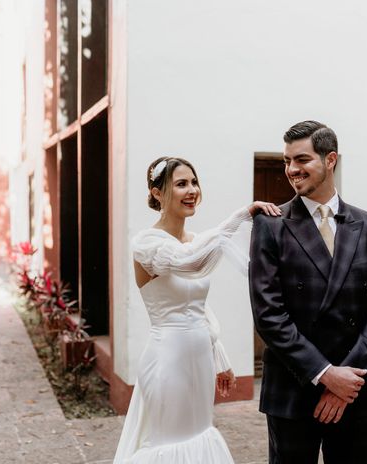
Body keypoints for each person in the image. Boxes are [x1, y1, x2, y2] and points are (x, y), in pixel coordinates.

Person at [113, 156, 281, 463]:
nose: (191, 190)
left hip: (199, 360)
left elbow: (199, 310)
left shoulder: (195, 240)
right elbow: (189, 261)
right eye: (180, 184)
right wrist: (241, 215)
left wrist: (221, 360)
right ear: (157, 193)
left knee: (199, 433)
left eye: (193, 182)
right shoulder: (147, 244)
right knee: (172, 441)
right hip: (168, 360)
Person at [249, 121, 367, 464]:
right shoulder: (271, 226)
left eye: (301, 159)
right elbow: (269, 315)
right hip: (292, 389)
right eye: (287, 161)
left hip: (354, 389)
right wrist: (326, 374)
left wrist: (346, 380)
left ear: (330, 160)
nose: (291, 170)